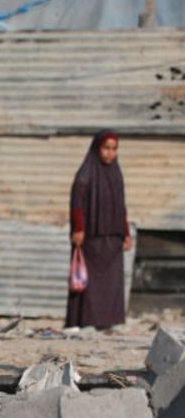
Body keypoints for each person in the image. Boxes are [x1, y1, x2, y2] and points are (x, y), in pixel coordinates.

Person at [66, 130, 131, 329]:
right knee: (90, 283)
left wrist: (126, 233)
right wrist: (78, 229)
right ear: (97, 148)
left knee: (112, 282)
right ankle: (86, 322)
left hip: (112, 238)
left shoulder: (116, 173)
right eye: (106, 148)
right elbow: (77, 203)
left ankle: (110, 321)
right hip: (91, 238)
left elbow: (121, 206)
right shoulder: (86, 173)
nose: (109, 153)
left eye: (113, 149)